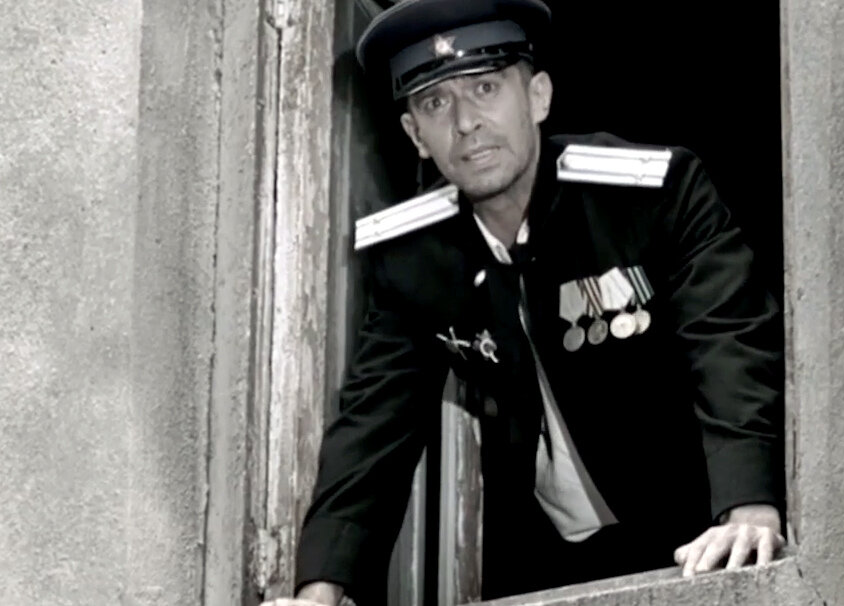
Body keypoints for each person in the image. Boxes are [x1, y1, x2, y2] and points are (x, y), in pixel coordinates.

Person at [266, 0, 785, 604]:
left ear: (538, 97)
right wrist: (321, 591)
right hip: (541, 562)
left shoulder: (650, 195)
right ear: (415, 135)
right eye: (435, 103)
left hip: (693, 528)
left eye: (485, 88)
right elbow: (374, 424)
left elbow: (728, 339)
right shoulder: (415, 259)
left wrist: (749, 506)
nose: (465, 122)